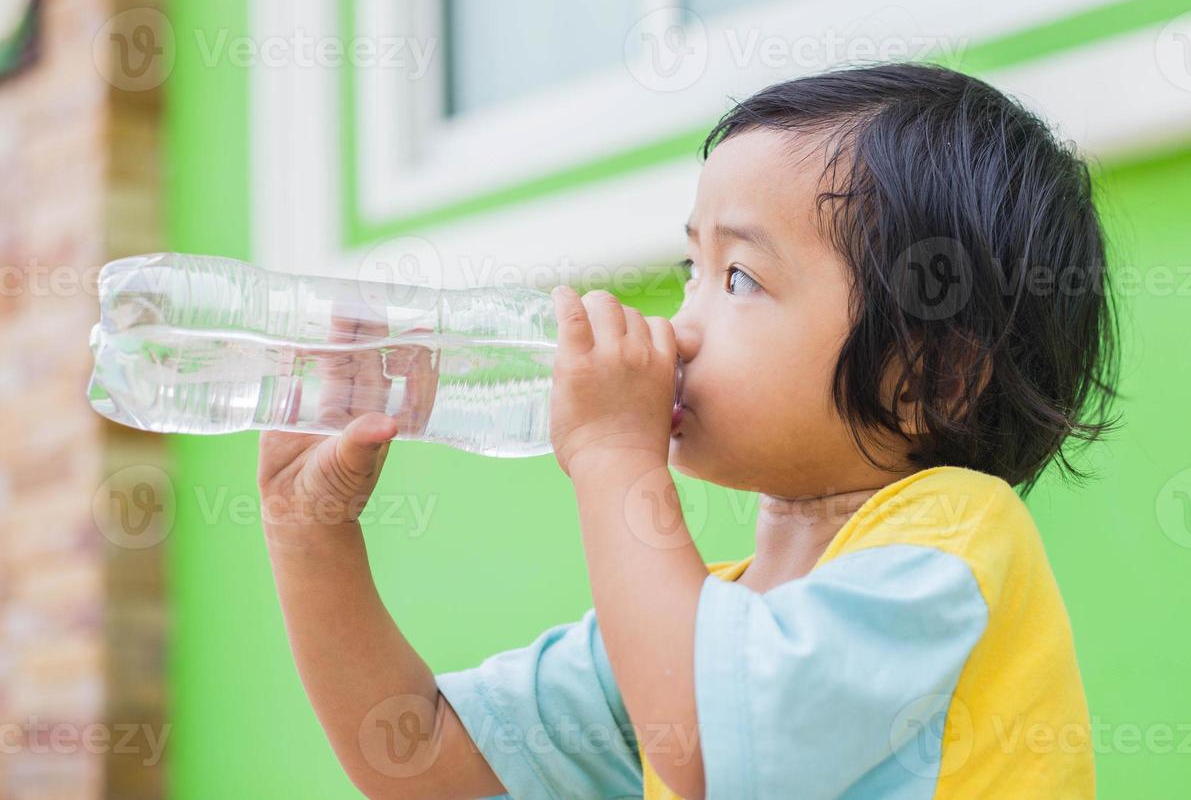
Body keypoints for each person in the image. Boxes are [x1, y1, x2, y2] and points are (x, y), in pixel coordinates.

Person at [257, 62, 1120, 799]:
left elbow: (703, 735)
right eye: (690, 271)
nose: (680, 326)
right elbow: (424, 760)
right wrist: (311, 537)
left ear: (927, 379)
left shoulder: (957, 543)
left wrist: (608, 458)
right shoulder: (693, 618)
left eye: (739, 276)